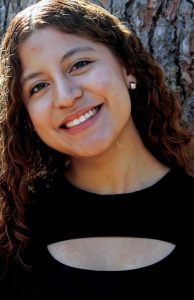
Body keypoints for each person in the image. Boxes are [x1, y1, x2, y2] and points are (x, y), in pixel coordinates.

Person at [0, 0, 194, 298]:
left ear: (127, 67)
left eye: (79, 65)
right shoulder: (12, 228)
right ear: (26, 115)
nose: (65, 96)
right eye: (38, 86)